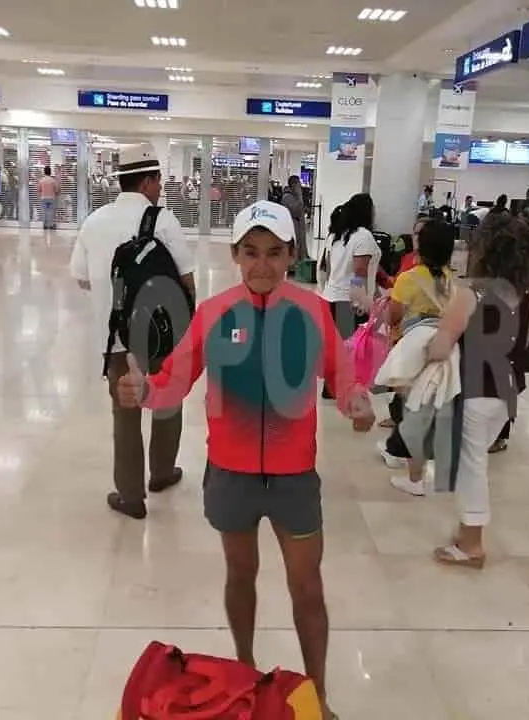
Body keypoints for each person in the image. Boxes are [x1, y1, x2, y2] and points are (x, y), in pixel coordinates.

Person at [116, 200, 375, 720]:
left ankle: (317, 697)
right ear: (234, 254)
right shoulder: (214, 314)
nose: (263, 265)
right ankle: (245, 671)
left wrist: (356, 402)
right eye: (251, 252)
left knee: (307, 585)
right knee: (241, 573)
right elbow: (174, 381)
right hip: (231, 475)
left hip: (294, 478)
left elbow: (343, 375)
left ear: (292, 255)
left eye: (275, 253)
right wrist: (145, 391)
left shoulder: (313, 312)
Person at [69, 143, 196, 520]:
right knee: (167, 403)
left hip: (117, 340)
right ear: (147, 181)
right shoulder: (164, 220)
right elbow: (187, 282)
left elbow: (80, 278)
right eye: (158, 180)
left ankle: (129, 495)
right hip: (161, 335)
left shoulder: (94, 222)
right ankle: (161, 473)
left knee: (125, 415)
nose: (160, 188)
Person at [428, 213, 529, 568]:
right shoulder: (524, 296)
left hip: (475, 389)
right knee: (476, 460)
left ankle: (472, 544)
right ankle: (465, 532)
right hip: (506, 392)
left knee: (470, 467)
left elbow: (441, 346)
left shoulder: (470, 293)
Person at [380, 219, 456, 493]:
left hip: (411, 351)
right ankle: (405, 458)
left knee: (412, 412)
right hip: (440, 349)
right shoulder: (447, 277)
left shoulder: (408, 279)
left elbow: (394, 316)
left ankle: (415, 478)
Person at [319, 193, 380, 399]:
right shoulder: (363, 236)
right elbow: (360, 270)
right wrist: (360, 301)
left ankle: (332, 388)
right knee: (350, 347)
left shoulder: (336, 235)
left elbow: (327, 267)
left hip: (331, 296)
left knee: (337, 346)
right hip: (349, 300)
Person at [280, 175, 308, 261]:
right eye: (298, 184)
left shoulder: (293, 197)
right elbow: (297, 211)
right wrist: (300, 196)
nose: (300, 186)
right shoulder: (287, 197)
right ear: (294, 184)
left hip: (298, 232)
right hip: (294, 232)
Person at [37, 166, 59, 230]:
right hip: (51, 198)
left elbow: (38, 189)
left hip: (43, 198)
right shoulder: (53, 180)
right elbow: (57, 190)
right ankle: (51, 225)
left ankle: (45, 225)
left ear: (44, 172)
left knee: (44, 211)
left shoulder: (41, 180)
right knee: (51, 211)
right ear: (50, 172)